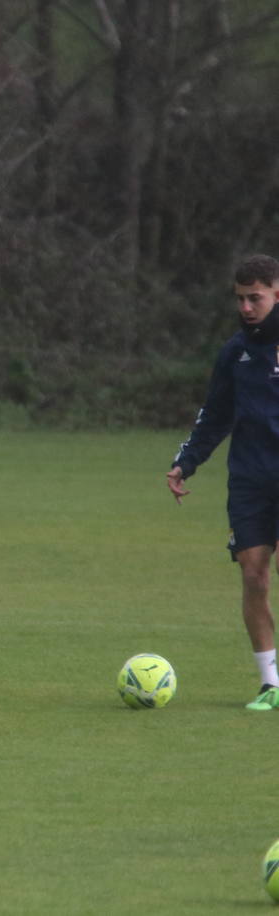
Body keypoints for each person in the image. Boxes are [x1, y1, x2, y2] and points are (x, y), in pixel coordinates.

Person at [169, 253, 279, 710]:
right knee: (253, 575)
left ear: (277, 293)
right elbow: (214, 416)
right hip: (250, 480)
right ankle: (271, 684)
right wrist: (185, 463)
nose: (247, 307)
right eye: (240, 299)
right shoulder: (235, 353)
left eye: (256, 298)